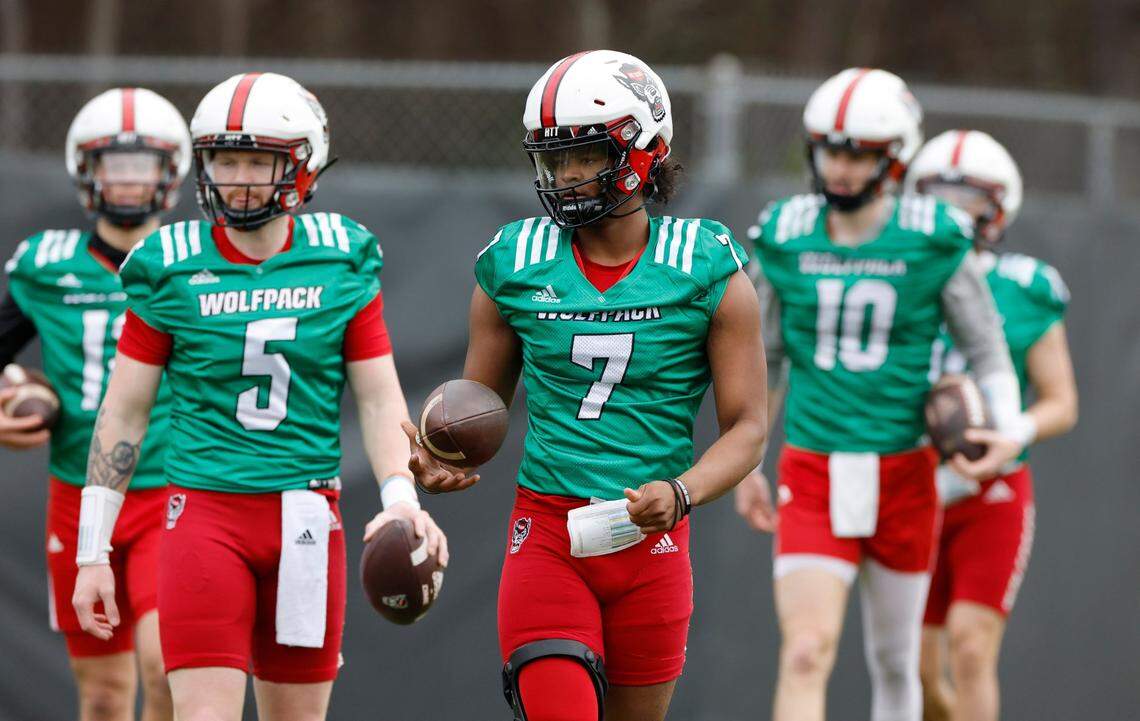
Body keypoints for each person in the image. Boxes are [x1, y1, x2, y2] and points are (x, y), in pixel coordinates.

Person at [70, 72, 447, 721]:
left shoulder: (341, 257)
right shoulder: (171, 261)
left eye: (257, 160)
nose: (238, 177)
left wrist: (400, 499)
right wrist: (91, 550)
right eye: (225, 159)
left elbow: (381, 399)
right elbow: (123, 412)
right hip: (205, 517)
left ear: (302, 164)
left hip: (305, 516)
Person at [404, 50, 767, 721]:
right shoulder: (514, 263)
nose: (565, 177)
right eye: (553, 159)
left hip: (652, 543)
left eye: (584, 156)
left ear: (643, 150)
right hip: (547, 534)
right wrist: (439, 458)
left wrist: (683, 491)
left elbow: (748, 425)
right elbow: (471, 412)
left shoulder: (707, 267)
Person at [734, 68, 1034, 721]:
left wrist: (1007, 428)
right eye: (831, 149)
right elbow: (768, 357)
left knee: (898, 661)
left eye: (858, 152)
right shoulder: (787, 232)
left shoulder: (932, 237)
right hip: (813, 465)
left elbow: (985, 344)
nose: (839, 167)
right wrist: (746, 459)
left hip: (904, 468)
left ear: (893, 156)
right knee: (807, 649)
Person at [1, 86, 189, 721]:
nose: (130, 182)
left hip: (172, 488)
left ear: (171, 174)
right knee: (105, 696)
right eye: (115, 165)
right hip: (76, 493)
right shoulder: (44, 266)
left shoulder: (194, 264)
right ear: (87, 170)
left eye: (144, 167)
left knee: (164, 667)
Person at [906, 130, 1078, 721]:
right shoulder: (901, 278)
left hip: (992, 491)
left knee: (973, 648)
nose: (954, 212)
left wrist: (1016, 433)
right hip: (915, 487)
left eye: (968, 198)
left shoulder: (1025, 286)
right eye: (940, 196)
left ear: (999, 208)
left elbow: (1061, 400)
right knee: (921, 671)